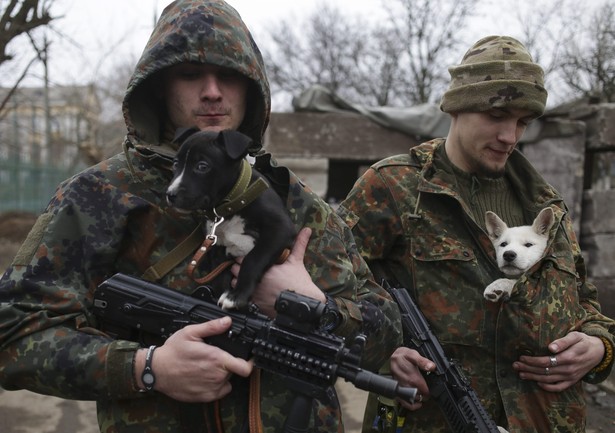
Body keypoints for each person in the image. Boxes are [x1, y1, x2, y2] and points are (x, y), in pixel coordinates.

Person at [0, 1, 402, 432]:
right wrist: (145, 366)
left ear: (252, 89)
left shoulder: (296, 204)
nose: (212, 91)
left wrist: (320, 308)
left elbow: (386, 331)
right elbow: (15, 332)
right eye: (190, 74)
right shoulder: (99, 196)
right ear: (159, 86)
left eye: (229, 75)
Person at [337, 35, 615, 432]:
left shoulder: (547, 206)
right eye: (497, 115)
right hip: (433, 418)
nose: (510, 136)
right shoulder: (395, 188)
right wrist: (384, 352)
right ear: (457, 107)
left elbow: (585, 301)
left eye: (522, 121)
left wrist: (598, 346)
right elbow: (328, 282)